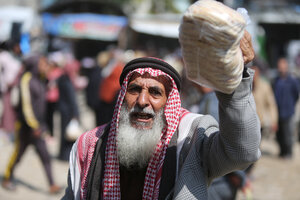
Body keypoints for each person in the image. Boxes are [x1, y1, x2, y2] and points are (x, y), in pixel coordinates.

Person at [62, 31, 260, 200]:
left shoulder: (190, 139)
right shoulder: (89, 145)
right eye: (134, 89)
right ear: (122, 97)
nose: (142, 101)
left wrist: (237, 79)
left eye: (155, 93)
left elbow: (242, 152)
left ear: (168, 103)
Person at [1, 54, 61, 194]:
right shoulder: (26, 79)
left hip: (38, 128)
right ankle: (7, 178)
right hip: (25, 127)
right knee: (18, 154)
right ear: (34, 64)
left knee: (45, 155)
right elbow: (26, 106)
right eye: (42, 63)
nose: (44, 66)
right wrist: (34, 125)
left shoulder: (41, 79)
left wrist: (40, 126)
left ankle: (52, 184)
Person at [273, 57, 299, 159]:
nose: (281, 68)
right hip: (278, 111)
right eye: (279, 66)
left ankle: (289, 153)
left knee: (288, 134)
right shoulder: (276, 80)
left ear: (286, 67)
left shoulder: (292, 80)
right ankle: (282, 152)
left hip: (288, 111)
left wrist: (291, 104)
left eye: (283, 66)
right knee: (279, 134)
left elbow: (296, 94)